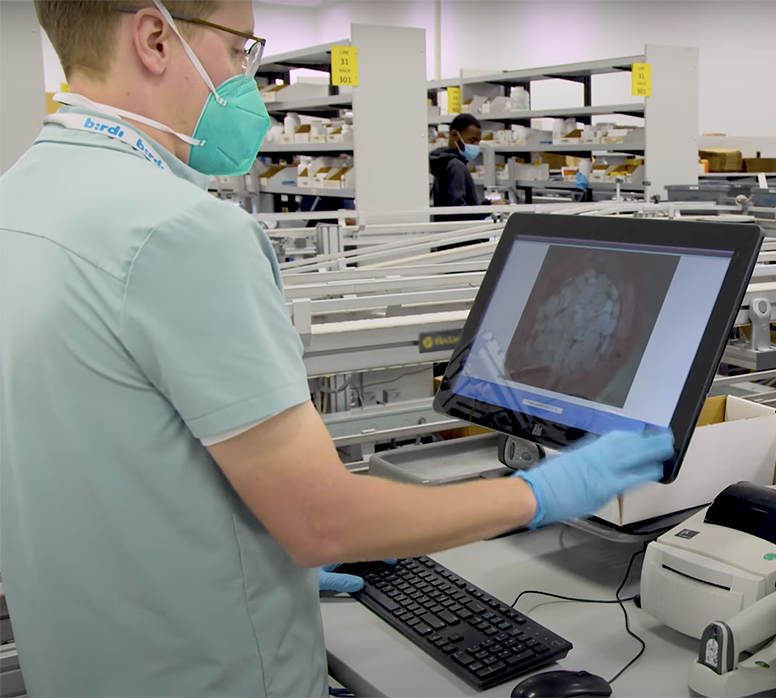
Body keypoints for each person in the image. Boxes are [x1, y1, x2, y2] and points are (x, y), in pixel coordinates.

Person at [0, 2, 674, 698]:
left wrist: (262, 559)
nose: (245, 83)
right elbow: (322, 522)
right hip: (209, 671)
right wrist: (538, 494)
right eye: (239, 52)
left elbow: (101, 460)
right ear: (153, 37)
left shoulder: (21, 199)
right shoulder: (181, 233)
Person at [430, 113, 490, 221]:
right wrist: (489, 209)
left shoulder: (442, 161)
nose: (476, 145)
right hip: (462, 234)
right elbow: (459, 212)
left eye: (478, 141)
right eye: (472, 140)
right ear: (455, 135)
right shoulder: (456, 166)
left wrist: (487, 204)